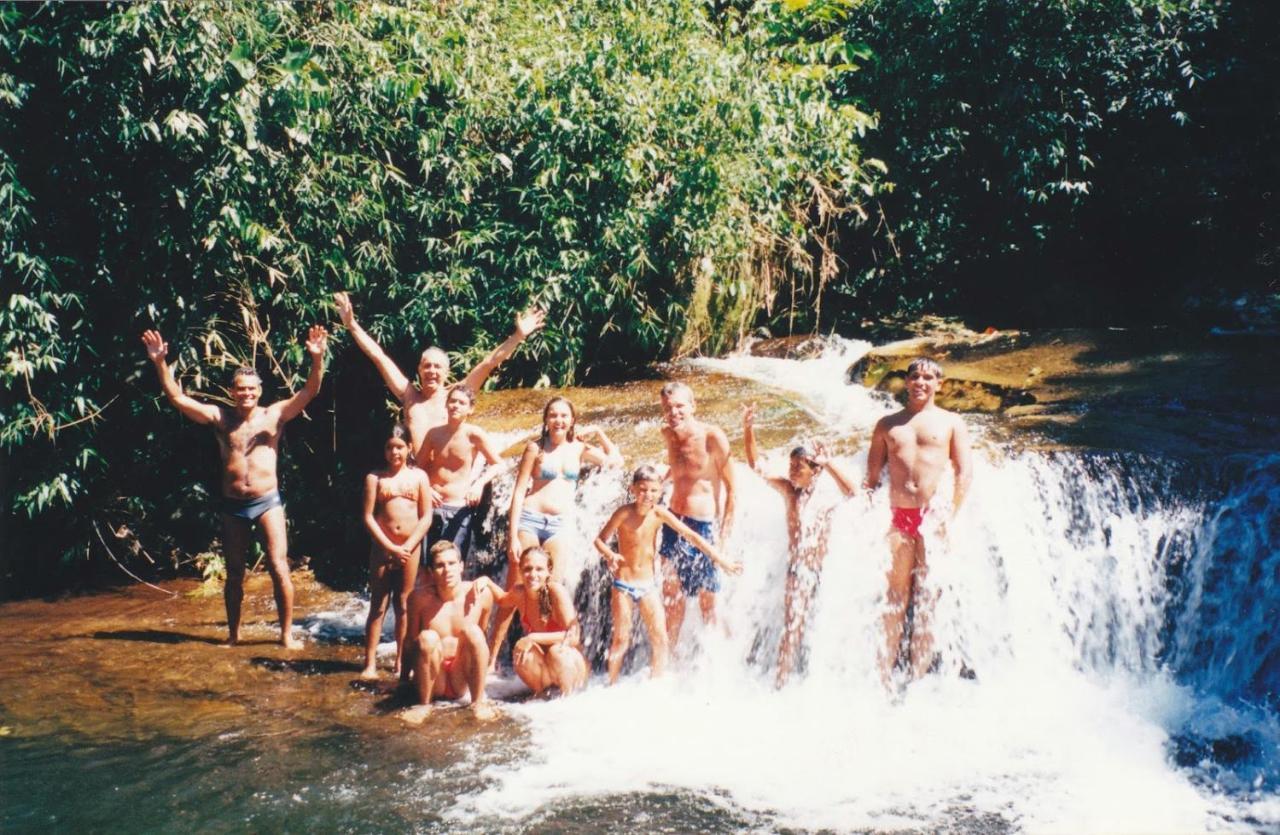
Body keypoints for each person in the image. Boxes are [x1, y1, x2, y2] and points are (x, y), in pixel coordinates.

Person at [140, 325, 328, 648]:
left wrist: (316, 358)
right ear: (232, 391)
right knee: (235, 573)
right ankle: (234, 635)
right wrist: (159, 362)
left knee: (279, 566)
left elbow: (310, 391)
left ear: (259, 390)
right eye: (240, 389)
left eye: (251, 389)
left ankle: (286, 635)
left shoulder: (274, 415)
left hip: (268, 501)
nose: (246, 394)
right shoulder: (220, 418)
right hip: (233, 505)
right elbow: (177, 397)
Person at [864, 356, 973, 685]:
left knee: (927, 598)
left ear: (940, 384)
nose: (921, 382)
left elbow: (964, 472)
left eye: (928, 377)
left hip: (933, 519)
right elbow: (871, 479)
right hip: (898, 518)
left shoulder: (951, 423)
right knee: (896, 597)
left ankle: (916, 679)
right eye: (915, 376)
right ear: (907, 382)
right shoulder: (887, 424)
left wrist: (950, 515)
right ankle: (883, 677)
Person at [742, 404, 857, 688]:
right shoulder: (789, 492)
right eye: (791, 465)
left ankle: (820, 684)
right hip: (798, 570)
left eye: (798, 467)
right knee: (792, 626)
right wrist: (748, 430)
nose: (792, 471)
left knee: (823, 629)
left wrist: (829, 464)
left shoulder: (826, 496)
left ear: (814, 471)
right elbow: (756, 466)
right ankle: (781, 682)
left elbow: (853, 493)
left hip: (825, 572)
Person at [594, 465, 737, 684]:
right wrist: (610, 555)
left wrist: (720, 559)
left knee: (660, 638)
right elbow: (599, 539)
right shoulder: (624, 513)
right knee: (621, 639)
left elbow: (691, 535)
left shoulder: (659, 513)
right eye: (642, 489)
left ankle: (655, 683)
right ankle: (611, 684)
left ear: (660, 491)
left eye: (653, 491)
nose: (647, 495)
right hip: (623, 584)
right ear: (633, 489)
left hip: (648, 585)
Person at [507, 396, 621, 586]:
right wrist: (512, 537)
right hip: (530, 520)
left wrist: (598, 432)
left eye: (564, 416)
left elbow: (616, 462)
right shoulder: (535, 448)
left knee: (553, 587)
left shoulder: (579, 448)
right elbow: (518, 493)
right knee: (517, 586)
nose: (558, 420)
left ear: (572, 420)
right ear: (546, 420)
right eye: (553, 415)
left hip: (560, 525)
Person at [657, 381, 737, 649]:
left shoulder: (713, 437)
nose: (674, 412)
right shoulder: (668, 434)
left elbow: (732, 490)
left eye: (680, 406)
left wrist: (723, 540)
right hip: (672, 523)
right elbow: (679, 469)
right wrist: (661, 481)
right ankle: (669, 664)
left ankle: (725, 662)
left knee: (708, 605)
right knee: (671, 599)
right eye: (668, 408)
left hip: (703, 528)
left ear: (693, 406)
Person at [360, 424, 432, 679]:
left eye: (400, 447)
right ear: (384, 451)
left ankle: (401, 662)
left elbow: (426, 517)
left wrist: (408, 546)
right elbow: (368, 517)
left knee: (404, 604)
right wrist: (390, 547)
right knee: (378, 605)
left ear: (409, 448)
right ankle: (369, 663)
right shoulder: (375, 478)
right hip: (382, 548)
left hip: (409, 548)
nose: (395, 452)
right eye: (390, 447)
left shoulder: (419, 477)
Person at [400, 540, 499, 724]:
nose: (447, 570)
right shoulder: (419, 599)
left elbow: (483, 639)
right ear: (430, 571)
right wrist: (403, 681)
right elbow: (410, 642)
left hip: (461, 677)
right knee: (426, 637)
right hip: (432, 678)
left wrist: (492, 663)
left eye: (452, 564)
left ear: (461, 566)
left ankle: (478, 702)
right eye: (440, 565)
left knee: (473, 632)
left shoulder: (480, 594)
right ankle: (424, 705)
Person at [416, 384, 508, 573]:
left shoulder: (473, 434)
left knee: (452, 567)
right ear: (446, 404)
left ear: (470, 408)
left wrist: (479, 485)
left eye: (461, 402)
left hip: (459, 508)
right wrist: (428, 489)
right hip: (431, 505)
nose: (456, 406)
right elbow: (418, 468)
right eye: (452, 401)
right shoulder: (434, 434)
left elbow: (499, 464)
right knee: (427, 568)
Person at [481, 547, 588, 697]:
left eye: (539, 569)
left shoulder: (555, 592)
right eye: (527, 569)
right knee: (521, 652)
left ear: (548, 572)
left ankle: (569, 700)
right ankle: (543, 696)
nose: (533, 574)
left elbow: (574, 637)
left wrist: (533, 638)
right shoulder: (520, 592)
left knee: (556, 651)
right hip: (545, 666)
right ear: (520, 571)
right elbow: (502, 600)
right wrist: (486, 581)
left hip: (570, 665)